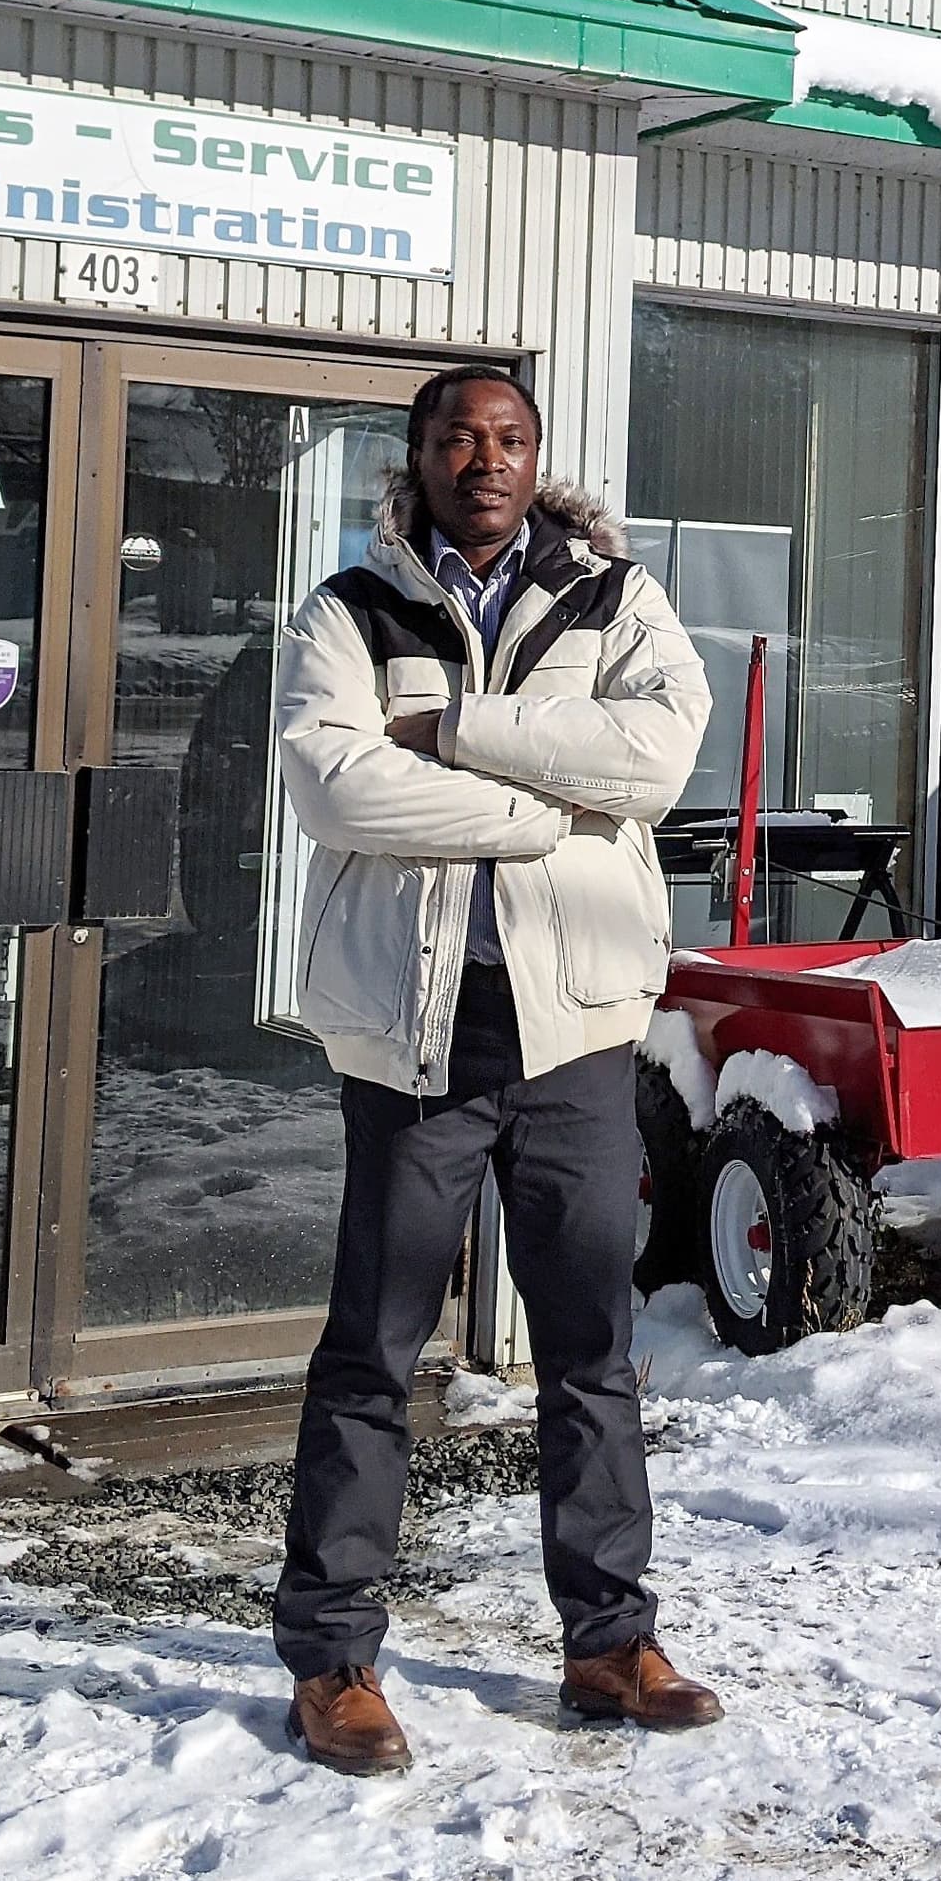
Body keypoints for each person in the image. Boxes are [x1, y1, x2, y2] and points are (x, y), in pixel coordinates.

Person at [265, 361, 721, 1773]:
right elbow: (332, 782)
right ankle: (334, 1659)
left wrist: (460, 732)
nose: (486, 455)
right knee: (374, 1345)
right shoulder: (352, 609)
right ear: (419, 455)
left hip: (573, 1031)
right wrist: (540, 816)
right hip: (417, 1038)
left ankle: (608, 1641)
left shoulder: (616, 599)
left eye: (509, 435)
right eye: (460, 435)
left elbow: (653, 758)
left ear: (537, 457)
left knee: (590, 1346)